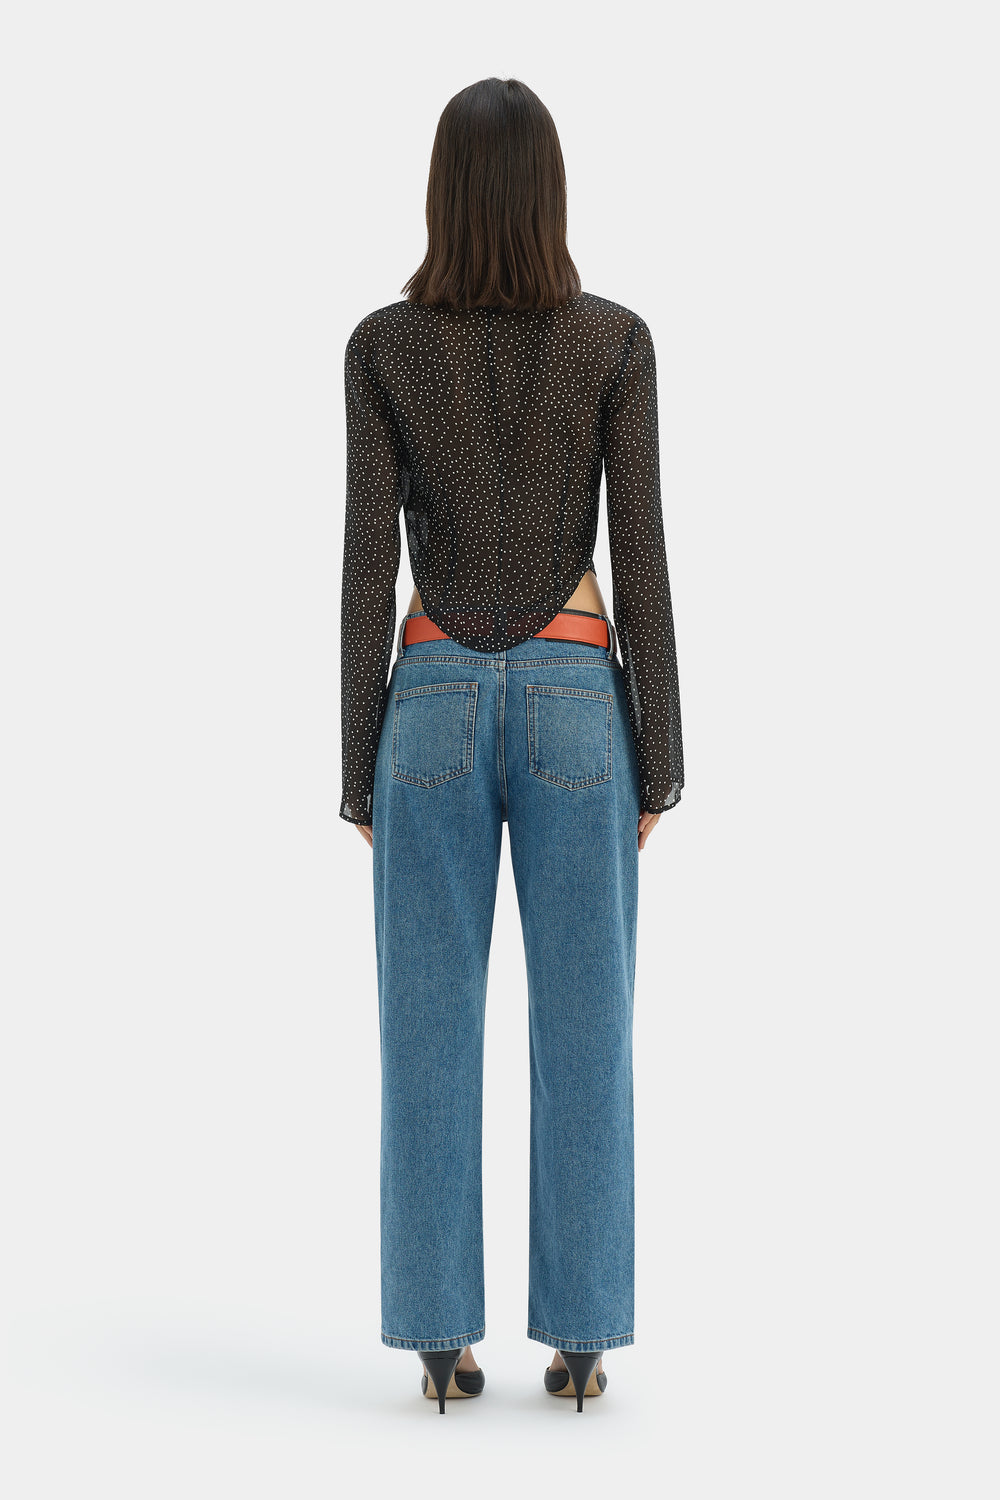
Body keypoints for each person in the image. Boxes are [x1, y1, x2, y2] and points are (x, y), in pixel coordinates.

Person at [340, 76, 684, 1413]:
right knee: (590, 1030)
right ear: (549, 193)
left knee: (425, 1034)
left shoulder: (382, 346)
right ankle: (582, 1342)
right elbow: (640, 555)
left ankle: (441, 1342)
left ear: (442, 191)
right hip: (573, 697)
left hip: (428, 697)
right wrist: (661, 754)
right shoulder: (615, 342)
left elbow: (367, 568)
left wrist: (355, 763)